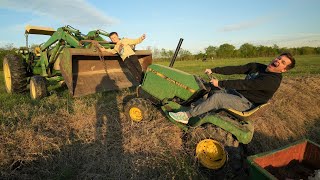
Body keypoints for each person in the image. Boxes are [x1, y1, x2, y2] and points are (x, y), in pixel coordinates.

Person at [169, 52, 296, 124]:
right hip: (238, 93)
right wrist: (214, 70)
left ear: (284, 70)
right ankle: (195, 106)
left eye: (283, 62)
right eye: (279, 58)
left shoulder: (272, 80)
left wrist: (221, 83)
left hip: (247, 103)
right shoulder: (259, 67)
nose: (278, 61)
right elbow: (237, 69)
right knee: (209, 87)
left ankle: (186, 116)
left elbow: (245, 84)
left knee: (218, 97)